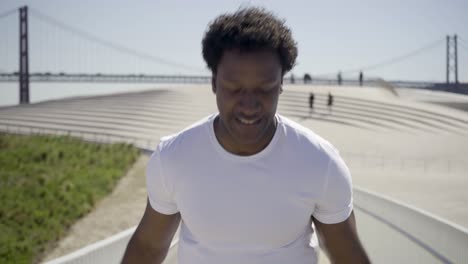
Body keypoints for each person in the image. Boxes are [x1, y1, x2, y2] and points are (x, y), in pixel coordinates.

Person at [121, 7, 369, 264]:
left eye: (264, 88)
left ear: (281, 84)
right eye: (234, 88)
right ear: (214, 83)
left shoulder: (321, 162)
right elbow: (148, 248)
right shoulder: (173, 157)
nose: (249, 105)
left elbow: (347, 257)